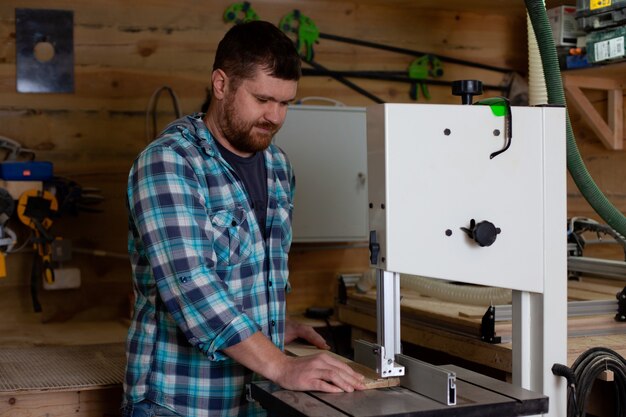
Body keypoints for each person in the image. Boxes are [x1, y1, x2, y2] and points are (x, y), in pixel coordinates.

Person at [122, 20, 365, 417]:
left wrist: (268, 327)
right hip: (181, 402)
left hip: (255, 398)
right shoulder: (170, 161)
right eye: (263, 99)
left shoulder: (278, 166)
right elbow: (192, 288)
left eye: (285, 103)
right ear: (221, 84)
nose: (275, 116)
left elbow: (256, 271)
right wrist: (282, 364)